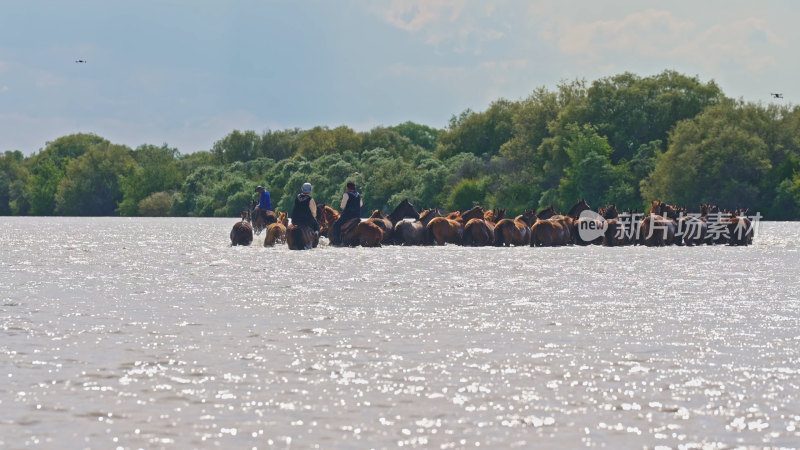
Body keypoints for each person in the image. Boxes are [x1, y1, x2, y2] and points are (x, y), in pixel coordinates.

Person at [332, 181, 362, 245]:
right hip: (357, 216)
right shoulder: (358, 194)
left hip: (348, 216)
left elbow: (342, 206)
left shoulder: (347, 194)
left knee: (336, 225)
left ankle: (337, 242)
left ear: (348, 188)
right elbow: (361, 204)